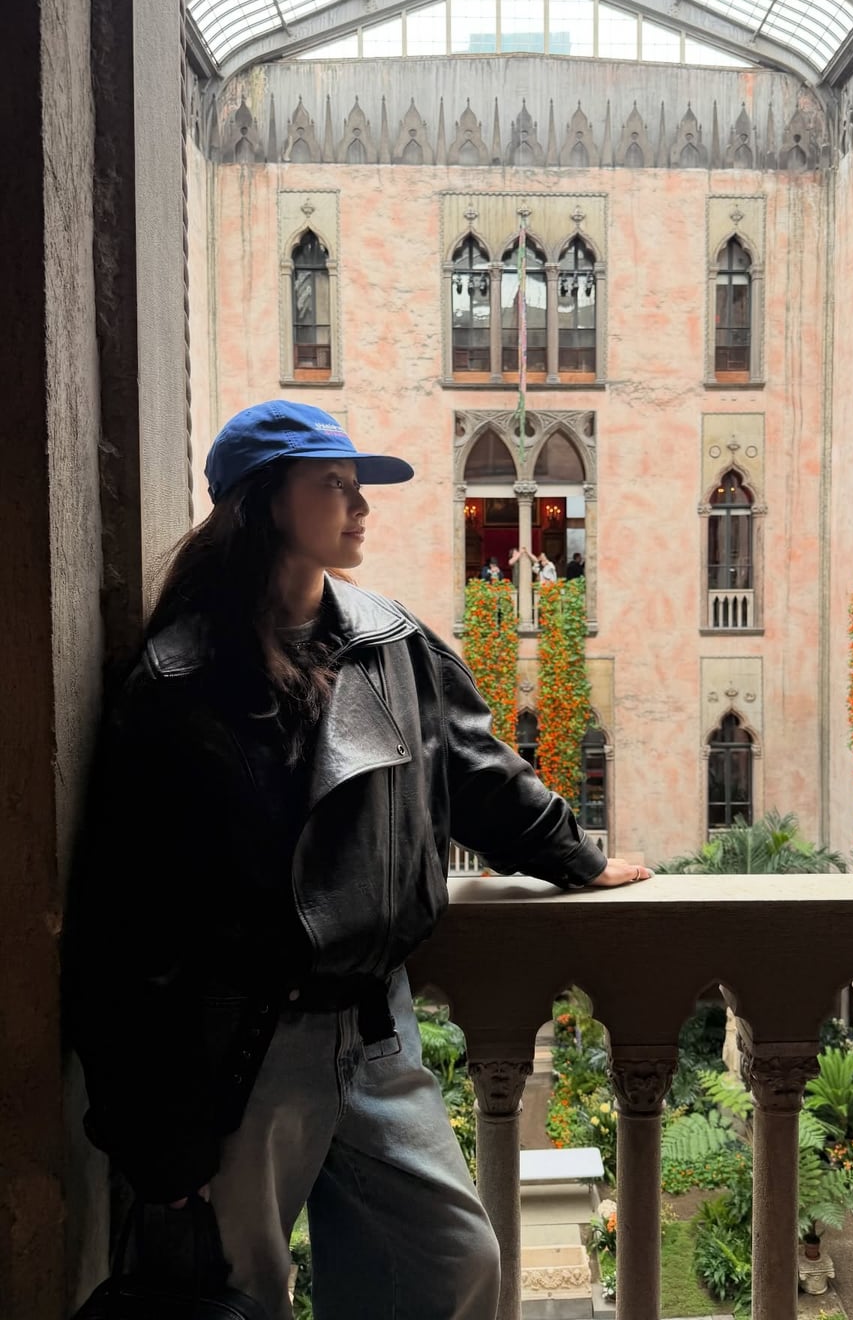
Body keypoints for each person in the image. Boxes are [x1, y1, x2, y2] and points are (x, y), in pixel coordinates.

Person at [67, 401, 650, 1320]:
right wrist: (157, 1142)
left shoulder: (390, 641)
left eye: (358, 484)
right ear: (263, 503)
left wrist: (574, 857)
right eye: (333, 485)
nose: (361, 506)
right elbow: (126, 925)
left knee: (451, 1264)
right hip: (244, 1051)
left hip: (377, 1032)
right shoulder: (178, 683)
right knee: (239, 1294)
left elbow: (477, 770)